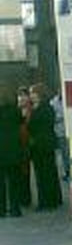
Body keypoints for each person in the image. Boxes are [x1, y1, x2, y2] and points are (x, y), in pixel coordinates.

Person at [28, 83, 63, 211]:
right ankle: (54, 198)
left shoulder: (40, 109)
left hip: (40, 144)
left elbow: (34, 126)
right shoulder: (47, 107)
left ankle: (46, 201)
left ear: (39, 94)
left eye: (33, 93)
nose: (31, 96)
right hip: (47, 143)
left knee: (43, 174)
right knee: (50, 172)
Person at [0, 85, 24, 217]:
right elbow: (21, 125)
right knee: (14, 182)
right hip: (14, 150)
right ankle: (15, 209)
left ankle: (1, 209)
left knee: (0, 183)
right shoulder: (16, 111)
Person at [17, 86, 33, 208]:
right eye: (20, 95)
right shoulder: (19, 109)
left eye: (23, 95)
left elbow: (27, 125)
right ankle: (23, 197)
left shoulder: (28, 109)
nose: (21, 98)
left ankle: (25, 198)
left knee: (24, 170)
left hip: (25, 142)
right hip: (20, 143)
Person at [50, 91, 70, 180]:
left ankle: (70, 170)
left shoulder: (69, 99)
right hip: (60, 132)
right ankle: (65, 171)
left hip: (70, 131)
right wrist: (60, 117)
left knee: (69, 152)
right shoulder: (53, 102)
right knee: (63, 153)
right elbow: (51, 117)